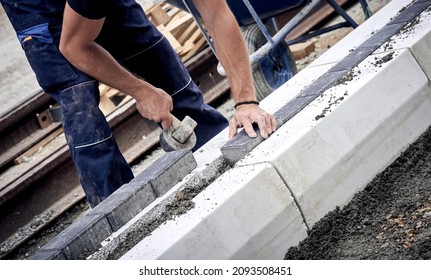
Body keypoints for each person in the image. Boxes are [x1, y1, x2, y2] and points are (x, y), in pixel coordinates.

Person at [1, 0, 276, 208]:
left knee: (153, 56)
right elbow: (73, 47)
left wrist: (246, 102)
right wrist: (141, 91)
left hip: (88, 5)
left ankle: (220, 153)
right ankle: (120, 217)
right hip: (36, 8)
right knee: (79, 99)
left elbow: (216, 13)